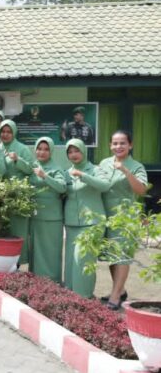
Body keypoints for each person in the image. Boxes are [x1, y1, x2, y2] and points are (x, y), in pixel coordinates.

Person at [98, 130, 149, 310]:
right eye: (115, 143)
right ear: (110, 145)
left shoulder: (136, 166)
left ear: (130, 145)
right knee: (112, 255)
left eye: (122, 143)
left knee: (122, 257)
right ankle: (120, 290)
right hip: (105, 214)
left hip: (125, 217)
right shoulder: (104, 163)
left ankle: (115, 295)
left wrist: (125, 170)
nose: (118, 146)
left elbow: (141, 190)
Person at [63, 139, 111, 298]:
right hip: (71, 223)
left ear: (83, 151)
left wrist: (83, 175)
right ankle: (70, 294)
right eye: (70, 151)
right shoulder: (66, 172)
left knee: (82, 259)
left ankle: (83, 297)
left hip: (92, 223)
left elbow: (105, 186)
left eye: (76, 150)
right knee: (70, 260)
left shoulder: (95, 169)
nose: (73, 154)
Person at [28, 137, 67, 283]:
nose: (42, 152)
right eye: (39, 148)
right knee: (36, 252)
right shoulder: (33, 166)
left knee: (50, 251)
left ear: (51, 151)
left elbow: (62, 187)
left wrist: (45, 176)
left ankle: (52, 282)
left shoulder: (56, 168)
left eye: (46, 149)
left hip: (51, 217)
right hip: (36, 215)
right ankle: (37, 283)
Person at [0, 120, 34, 265]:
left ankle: (18, 262)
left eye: (9, 132)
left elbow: (30, 169)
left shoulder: (22, 148)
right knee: (4, 230)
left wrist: (17, 159)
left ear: (14, 133)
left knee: (18, 230)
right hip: (1, 195)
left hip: (18, 195)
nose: (5, 135)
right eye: (3, 132)